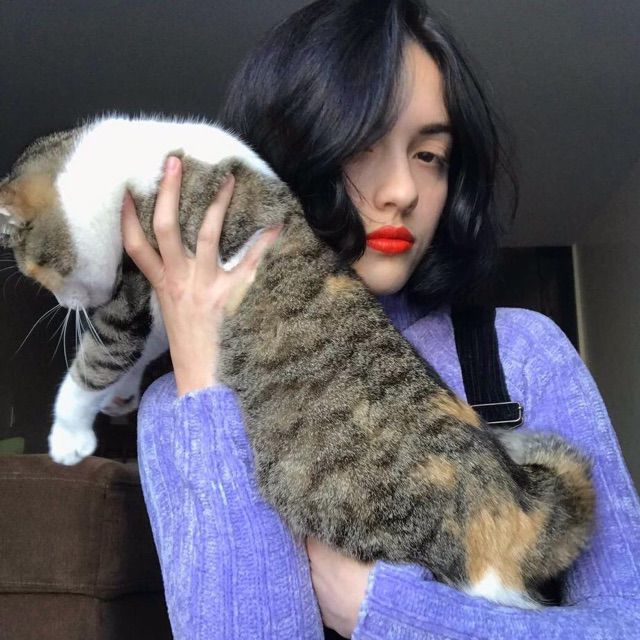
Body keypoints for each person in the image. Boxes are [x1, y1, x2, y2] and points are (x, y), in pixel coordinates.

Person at [120, 1, 640, 637]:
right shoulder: (180, 407)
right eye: (363, 145)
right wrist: (205, 377)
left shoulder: (520, 352)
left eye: (431, 155)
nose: (403, 191)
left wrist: (384, 610)